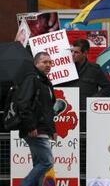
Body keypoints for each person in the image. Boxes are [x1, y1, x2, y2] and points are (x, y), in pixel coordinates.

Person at [18, 52, 57, 185]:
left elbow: (48, 109)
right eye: (44, 62)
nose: (48, 65)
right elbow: (23, 103)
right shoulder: (32, 79)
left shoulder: (45, 81)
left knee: (39, 164)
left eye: (50, 62)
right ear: (36, 64)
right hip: (35, 129)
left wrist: (52, 129)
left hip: (42, 129)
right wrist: (31, 126)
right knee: (47, 162)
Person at [59, 39, 110, 112]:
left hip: (87, 111)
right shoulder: (65, 69)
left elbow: (108, 87)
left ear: (85, 53)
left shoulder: (94, 69)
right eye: (72, 51)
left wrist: (93, 99)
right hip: (68, 110)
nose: (73, 54)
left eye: (76, 52)